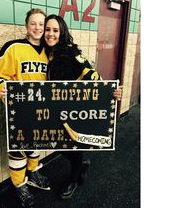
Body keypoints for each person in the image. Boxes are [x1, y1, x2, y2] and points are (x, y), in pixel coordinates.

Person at [41, 14, 123, 199]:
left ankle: (73, 179)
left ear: (62, 32)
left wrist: (109, 90)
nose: (50, 34)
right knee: (59, 143)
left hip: (74, 107)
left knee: (72, 145)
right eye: (48, 29)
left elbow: (89, 71)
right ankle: (82, 164)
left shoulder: (70, 51)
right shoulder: (46, 52)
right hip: (56, 106)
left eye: (55, 30)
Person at [0, 8, 50, 208]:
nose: (37, 28)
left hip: (41, 109)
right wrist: (1, 87)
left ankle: (33, 171)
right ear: (26, 26)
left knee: (36, 143)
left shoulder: (50, 50)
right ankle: (19, 183)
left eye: (41, 24)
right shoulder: (13, 48)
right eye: (33, 23)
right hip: (19, 109)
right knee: (18, 148)